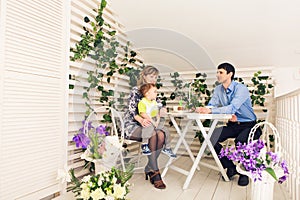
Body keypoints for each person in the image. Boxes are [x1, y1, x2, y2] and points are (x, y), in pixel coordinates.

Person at [196, 62, 262, 186]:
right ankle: (230, 166)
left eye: (220, 72)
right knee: (211, 138)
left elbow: (232, 108)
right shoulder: (218, 89)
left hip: (248, 125)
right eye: (217, 72)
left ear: (230, 74)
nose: (217, 75)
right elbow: (212, 105)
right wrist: (203, 108)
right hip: (233, 125)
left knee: (241, 141)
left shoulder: (240, 89)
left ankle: (244, 173)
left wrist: (213, 110)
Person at [123, 65, 175, 189]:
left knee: (161, 134)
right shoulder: (136, 90)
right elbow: (132, 111)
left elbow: (159, 106)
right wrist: (141, 119)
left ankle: (149, 167)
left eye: (156, 77)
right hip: (133, 125)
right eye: (151, 76)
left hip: (149, 125)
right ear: (144, 76)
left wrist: (162, 110)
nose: (153, 79)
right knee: (152, 134)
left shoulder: (154, 91)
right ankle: (155, 172)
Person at [138, 83, 163, 155]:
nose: (156, 93)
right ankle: (144, 144)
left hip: (154, 119)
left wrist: (158, 120)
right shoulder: (142, 102)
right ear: (147, 93)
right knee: (148, 127)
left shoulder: (154, 102)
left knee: (164, 130)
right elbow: (143, 114)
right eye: (154, 91)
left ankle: (167, 147)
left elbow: (156, 112)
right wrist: (152, 121)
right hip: (147, 120)